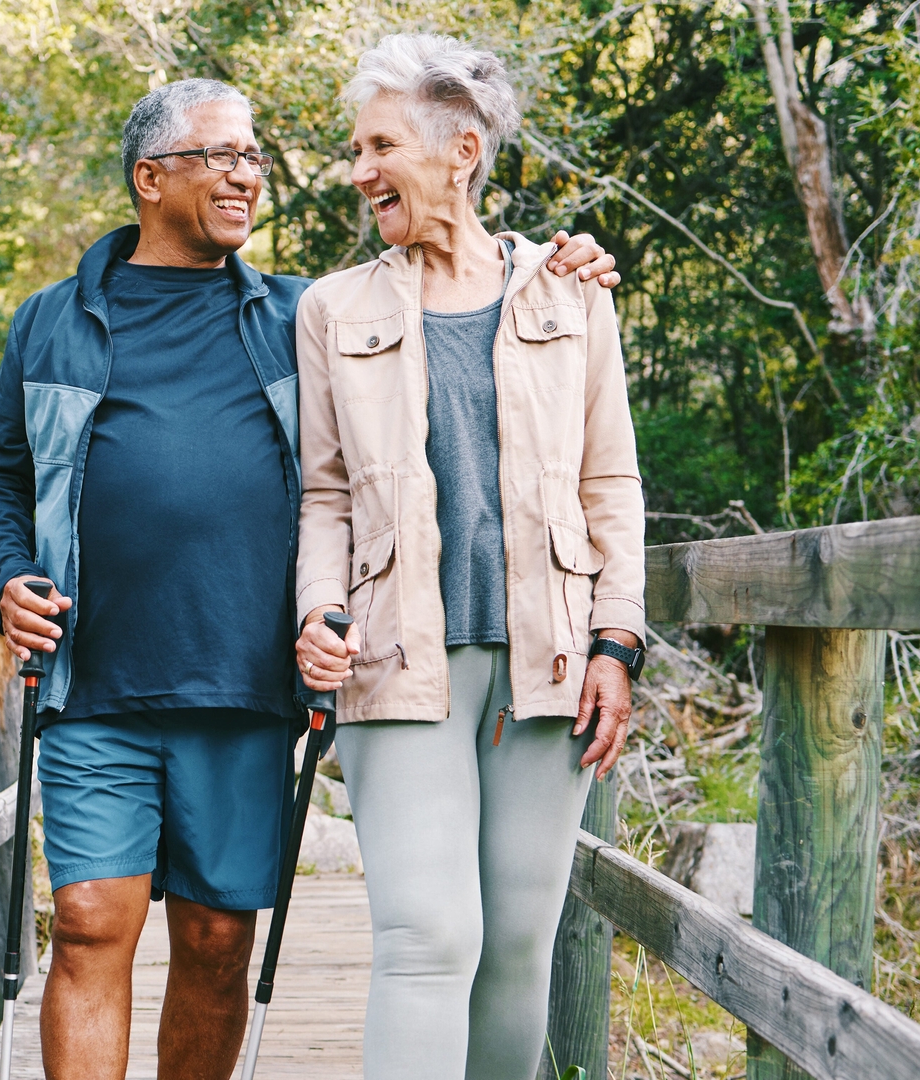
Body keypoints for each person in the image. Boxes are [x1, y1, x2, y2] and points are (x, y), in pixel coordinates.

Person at [0, 76, 621, 1080]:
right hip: (92, 678)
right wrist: (6, 572)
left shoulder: (300, 315)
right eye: (219, 156)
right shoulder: (52, 322)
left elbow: (426, 337)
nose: (246, 174)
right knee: (91, 921)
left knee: (219, 941)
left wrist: (555, 263)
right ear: (149, 179)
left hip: (245, 687)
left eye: (254, 157)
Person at [292, 34, 646, 1080]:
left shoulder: (573, 294)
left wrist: (617, 640)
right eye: (356, 149)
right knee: (427, 937)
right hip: (396, 659)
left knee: (518, 941)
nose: (360, 172)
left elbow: (611, 484)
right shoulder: (333, 309)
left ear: (461, 149)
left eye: (378, 145)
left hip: (549, 662)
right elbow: (323, 493)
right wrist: (317, 610)